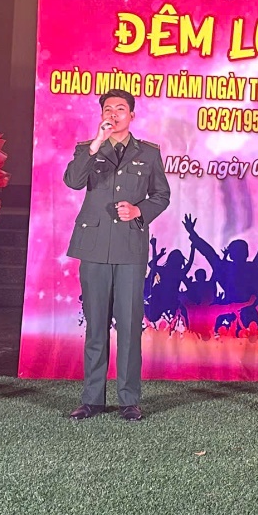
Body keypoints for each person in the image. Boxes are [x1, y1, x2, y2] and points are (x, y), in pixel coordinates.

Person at [63, 89, 171, 422]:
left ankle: (129, 400)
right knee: (96, 326)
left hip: (129, 247)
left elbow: (162, 195)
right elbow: (73, 181)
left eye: (120, 109)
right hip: (94, 245)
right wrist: (96, 144)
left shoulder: (148, 153)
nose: (113, 114)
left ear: (132, 115)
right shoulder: (88, 148)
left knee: (128, 326)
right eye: (108, 109)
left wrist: (139, 211)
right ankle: (92, 399)